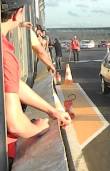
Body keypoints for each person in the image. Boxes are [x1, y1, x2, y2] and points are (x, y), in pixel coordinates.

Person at [1, 0, 71, 160]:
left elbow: (12, 84)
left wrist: (52, 111)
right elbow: (15, 124)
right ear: (18, 13)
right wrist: (39, 129)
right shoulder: (4, 54)